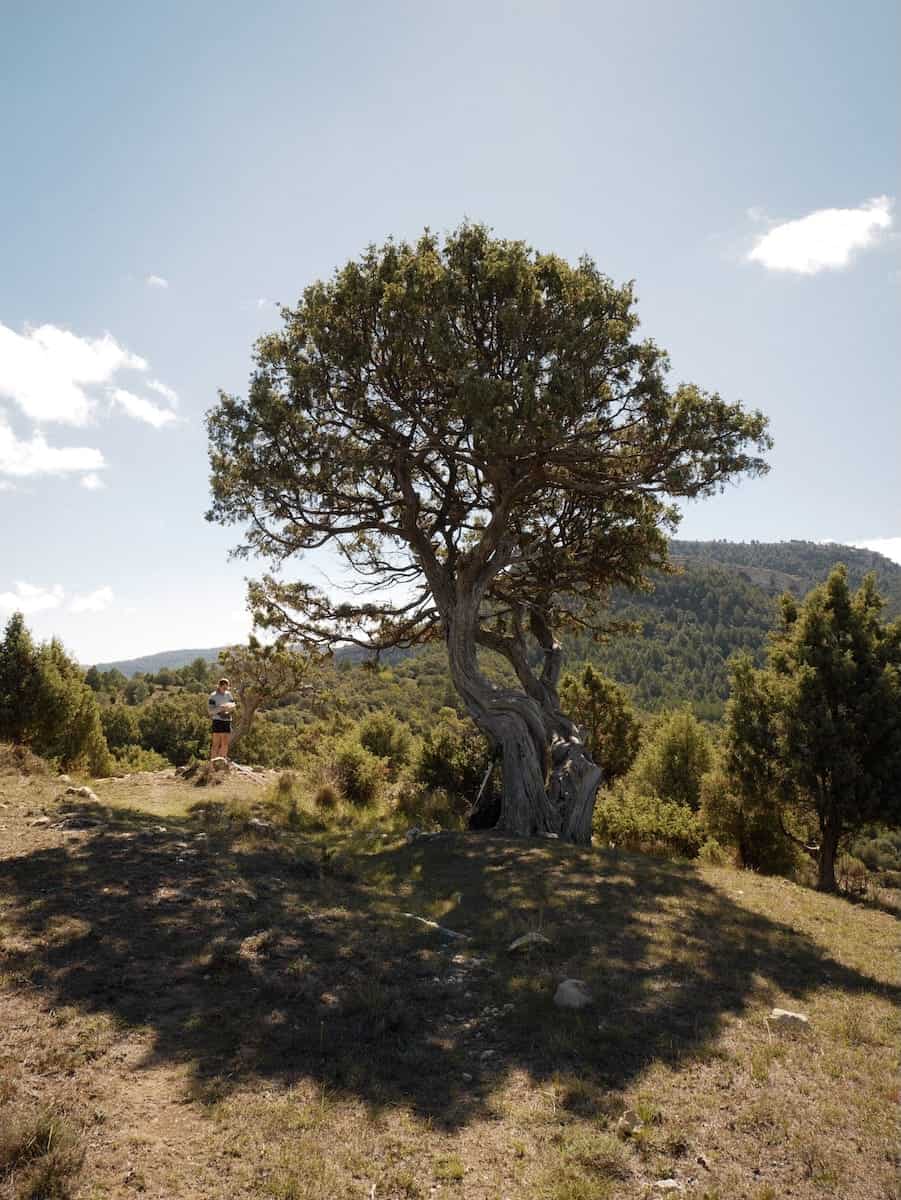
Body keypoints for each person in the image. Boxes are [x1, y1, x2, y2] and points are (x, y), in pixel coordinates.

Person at [208, 677, 236, 761]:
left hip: (227, 720)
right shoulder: (213, 696)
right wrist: (221, 708)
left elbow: (233, 704)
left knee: (225, 743)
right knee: (216, 743)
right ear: (219, 686)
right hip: (217, 720)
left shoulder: (228, 694)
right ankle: (213, 763)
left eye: (227, 687)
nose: (226, 689)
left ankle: (223, 761)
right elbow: (210, 711)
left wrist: (229, 710)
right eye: (224, 687)